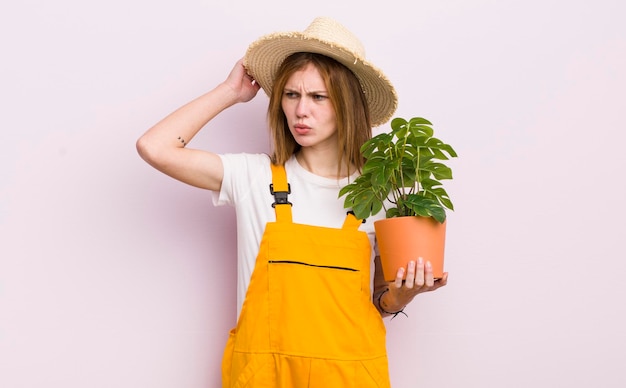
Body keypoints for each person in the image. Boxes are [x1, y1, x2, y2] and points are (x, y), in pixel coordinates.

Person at [137, 16, 448, 387]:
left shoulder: (378, 196)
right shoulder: (253, 178)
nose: (302, 111)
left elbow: (381, 299)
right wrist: (229, 92)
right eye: (291, 94)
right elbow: (155, 147)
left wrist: (403, 295)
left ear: (346, 104)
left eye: (318, 97)